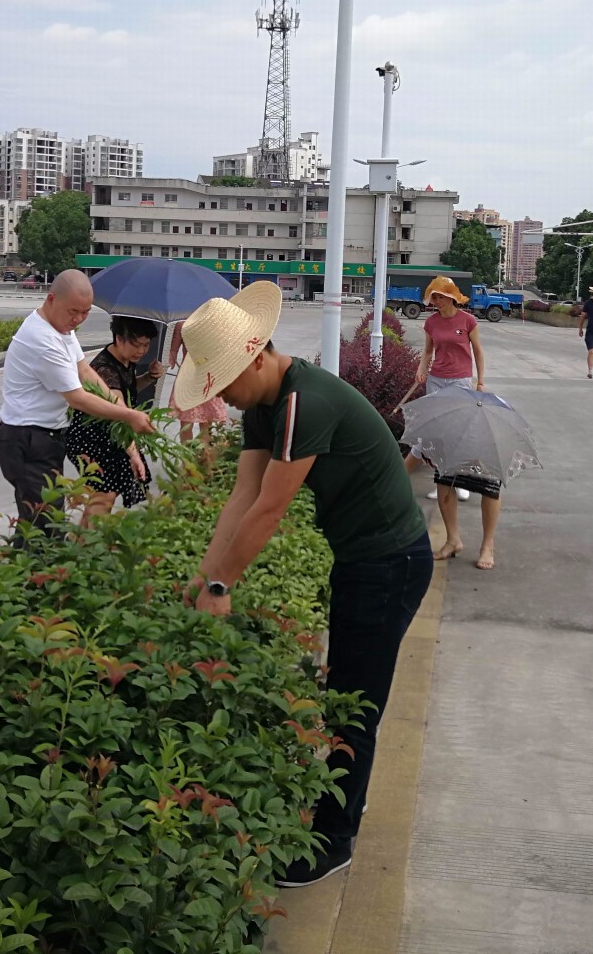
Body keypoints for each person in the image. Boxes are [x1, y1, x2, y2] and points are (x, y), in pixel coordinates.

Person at [173, 281, 432, 889]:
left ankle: (335, 840)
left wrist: (220, 589)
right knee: (345, 692)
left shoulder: (302, 403)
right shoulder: (264, 406)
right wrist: (204, 580)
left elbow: (269, 510)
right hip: (363, 559)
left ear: (259, 353)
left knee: (352, 703)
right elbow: (241, 497)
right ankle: (344, 801)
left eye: (229, 381)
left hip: (389, 561)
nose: (226, 398)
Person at [0, 269, 155, 546]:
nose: (78, 319)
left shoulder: (61, 329)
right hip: (27, 438)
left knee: (40, 521)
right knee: (43, 526)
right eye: (73, 311)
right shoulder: (43, 339)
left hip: (46, 437)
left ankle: (32, 578)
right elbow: (78, 397)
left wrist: (119, 405)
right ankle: (34, 581)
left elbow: (86, 371)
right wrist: (128, 414)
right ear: (51, 299)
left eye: (85, 313)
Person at [65, 315, 165, 519]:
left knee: (104, 493)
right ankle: (92, 544)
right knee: (104, 493)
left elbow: (127, 389)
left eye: (146, 345)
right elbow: (119, 416)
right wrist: (132, 453)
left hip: (108, 435)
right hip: (89, 438)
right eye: (137, 344)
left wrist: (148, 377)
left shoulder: (125, 360)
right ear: (119, 338)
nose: (142, 351)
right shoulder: (105, 370)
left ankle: (81, 543)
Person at [404, 277, 486, 503]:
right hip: (436, 381)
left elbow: (478, 352)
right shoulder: (431, 322)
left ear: (451, 297)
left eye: (439, 297)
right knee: (437, 433)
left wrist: (480, 381)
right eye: (434, 298)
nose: (436, 301)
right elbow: (428, 351)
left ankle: (459, 482)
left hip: (460, 381)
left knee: (458, 432)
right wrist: (421, 370)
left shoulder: (468, 321)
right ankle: (441, 481)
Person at [170, 318, 230, 448]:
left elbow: (221, 349)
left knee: (207, 421)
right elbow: (173, 350)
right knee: (186, 421)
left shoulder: (214, 322)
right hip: (188, 377)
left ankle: (205, 456)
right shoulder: (182, 324)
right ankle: (187, 456)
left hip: (208, 377)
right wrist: (171, 358)